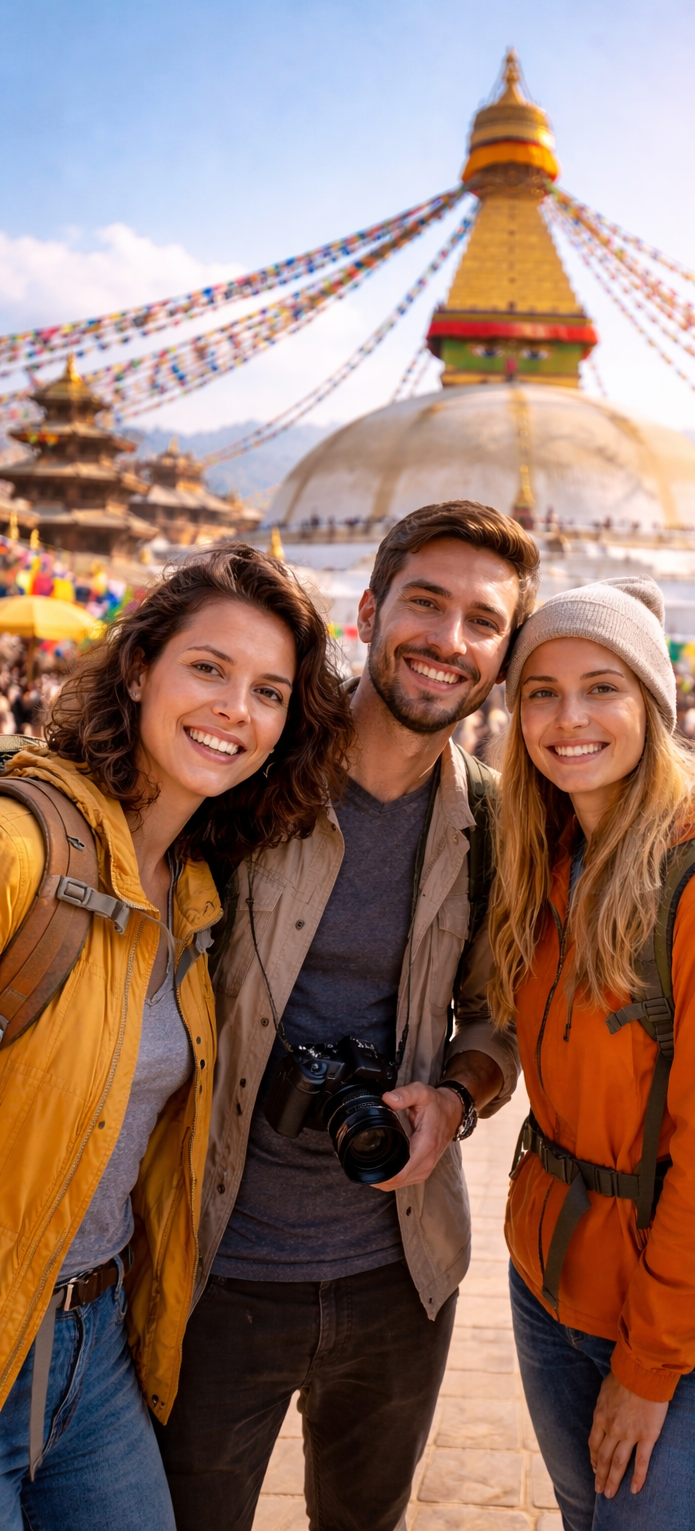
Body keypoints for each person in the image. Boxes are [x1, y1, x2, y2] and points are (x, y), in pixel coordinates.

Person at [158, 501, 537, 1531]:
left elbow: (498, 1017)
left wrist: (456, 1096)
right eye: (425, 602)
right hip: (212, 1264)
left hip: (398, 1272)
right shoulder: (247, 772)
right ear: (369, 610)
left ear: (502, 657)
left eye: (483, 622)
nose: (447, 641)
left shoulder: (497, 820)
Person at [0, 543, 352, 1531]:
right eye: (208, 668)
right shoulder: (22, 851)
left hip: (96, 1346)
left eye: (269, 691)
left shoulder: (195, 896)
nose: (235, 708)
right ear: (138, 667)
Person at [489, 577, 695, 1531]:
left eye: (602, 688)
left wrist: (651, 1366)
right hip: (551, 1285)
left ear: (653, 707)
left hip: (685, 1326)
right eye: (541, 690)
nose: (568, 718)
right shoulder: (545, 859)